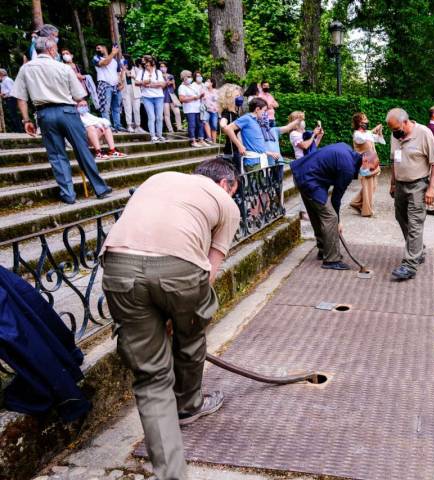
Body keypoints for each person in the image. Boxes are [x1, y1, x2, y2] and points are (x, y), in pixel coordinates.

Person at [100, 158, 241, 480]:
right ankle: (189, 406)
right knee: (190, 338)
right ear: (225, 184)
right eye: (233, 192)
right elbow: (209, 270)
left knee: (151, 377)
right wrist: (181, 315)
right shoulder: (225, 204)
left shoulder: (159, 176)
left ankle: (171, 472)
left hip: (118, 266)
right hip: (179, 271)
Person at [11, 36, 112, 204]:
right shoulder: (63, 68)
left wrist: (26, 120)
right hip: (68, 111)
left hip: (44, 114)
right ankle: (100, 188)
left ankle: (68, 194)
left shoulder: (26, 68)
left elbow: (20, 98)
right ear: (51, 50)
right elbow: (80, 95)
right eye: (56, 49)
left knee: (57, 155)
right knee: (82, 150)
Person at [291, 143, 376, 270]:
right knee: (330, 217)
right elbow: (336, 199)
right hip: (310, 180)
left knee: (316, 213)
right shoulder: (347, 169)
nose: (368, 172)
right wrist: (338, 221)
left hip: (301, 173)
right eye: (370, 168)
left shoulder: (346, 149)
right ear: (364, 160)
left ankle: (323, 249)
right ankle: (331, 260)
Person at [386, 108, 434, 281]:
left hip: (418, 184)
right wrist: (393, 183)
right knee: (401, 217)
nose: (395, 133)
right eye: (392, 130)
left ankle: (409, 265)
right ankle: (419, 250)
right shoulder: (395, 136)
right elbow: (395, 160)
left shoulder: (424, 133)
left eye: (396, 129)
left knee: (415, 222)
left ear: (405, 122)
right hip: (401, 184)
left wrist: (432, 189)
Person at [223, 97, 281, 173]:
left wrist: (271, 153)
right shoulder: (247, 118)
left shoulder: (257, 121)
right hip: (253, 162)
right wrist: (239, 146)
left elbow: (256, 146)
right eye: (264, 110)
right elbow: (228, 128)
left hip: (260, 160)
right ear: (257, 109)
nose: (265, 113)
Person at [349, 112, 384, 217]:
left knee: (372, 187)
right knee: (368, 187)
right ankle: (367, 211)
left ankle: (355, 203)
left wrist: (379, 131)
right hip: (365, 165)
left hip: (373, 163)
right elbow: (366, 138)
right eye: (364, 119)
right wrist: (373, 130)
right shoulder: (357, 134)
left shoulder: (367, 133)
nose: (367, 121)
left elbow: (379, 140)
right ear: (359, 122)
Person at [135, 55, 166, 143]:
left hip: (159, 97)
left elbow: (162, 84)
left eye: (147, 63)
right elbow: (136, 83)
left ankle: (159, 135)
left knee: (159, 117)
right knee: (151, 117)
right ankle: (153, 136)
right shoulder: (141, 72)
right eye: (144, 64)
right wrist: (143, 82)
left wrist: (149, 85)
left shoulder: (158, 72)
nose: (145, 65)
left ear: (151, 62)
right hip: (146, 97)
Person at [93, 44, 123, 132]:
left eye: (99, 47)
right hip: (104, 85)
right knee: (105, 107)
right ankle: (108, 126)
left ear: (105, 47)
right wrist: (113, 53)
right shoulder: (96, 58)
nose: (97, 49)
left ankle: (118, 125)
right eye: (96, 48)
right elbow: (104, 63)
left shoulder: (115, 60)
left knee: (117, 107)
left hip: (115, 85)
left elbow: (118, 73)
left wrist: (121, 82)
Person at [218, 83, 244, 171]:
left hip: (237, 150)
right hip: (232, 151)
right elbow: (223, 122)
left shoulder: (236, 113)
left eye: (240, 95)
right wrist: (224, 126)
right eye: (237, 95)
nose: (239, 97)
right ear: (229, 99)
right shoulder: (227, 113)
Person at [178, 70, 205, 147]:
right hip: (189, 109)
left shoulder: (193, 86)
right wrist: (193, 98)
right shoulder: (182, 87)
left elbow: (198, 95)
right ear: (184, 77)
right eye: (189, 76)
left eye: (191, 76)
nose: (191, 78)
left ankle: (201, 140)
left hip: (198, 108)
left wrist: (200, 96)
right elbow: (181, 99)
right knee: (192, 125)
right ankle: (193, 141)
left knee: (200, 124)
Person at [159, 61, 182, 134]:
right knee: (166, 114)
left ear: (166, 68)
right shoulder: (158, 76)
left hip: (172, 95)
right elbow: (160, 88)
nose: (163, 68)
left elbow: (174, 87)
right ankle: (170, 129)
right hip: (164, 96)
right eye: (161, 67)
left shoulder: (170, 76)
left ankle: (179, 127)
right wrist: (166, 83)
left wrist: (172, 83)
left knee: (177, 112)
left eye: (164, 66)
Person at [203, 78, 219, 144]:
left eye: (208, 81)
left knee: (214, 126)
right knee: (205, 122)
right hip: (206, 109)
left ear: (212, 83)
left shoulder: (216, 91)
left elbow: (218, 100)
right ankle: (209, 138)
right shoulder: (203, 90)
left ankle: (214, 141)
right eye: (206, 81)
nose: (207, 82)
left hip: (214, 110)